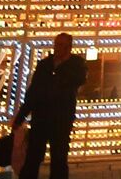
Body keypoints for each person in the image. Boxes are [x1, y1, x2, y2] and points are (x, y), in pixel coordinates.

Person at [11, 32, 87, 179]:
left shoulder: (76, 65)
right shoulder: (45, 65)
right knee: (33, 157)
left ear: (69, 47)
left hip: (61, 120)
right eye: (57, 44)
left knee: (58, 159)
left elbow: (78, 80)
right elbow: (33, 93)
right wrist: (21, 116)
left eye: (62, 45)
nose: (58, 48)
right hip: (41, 118)